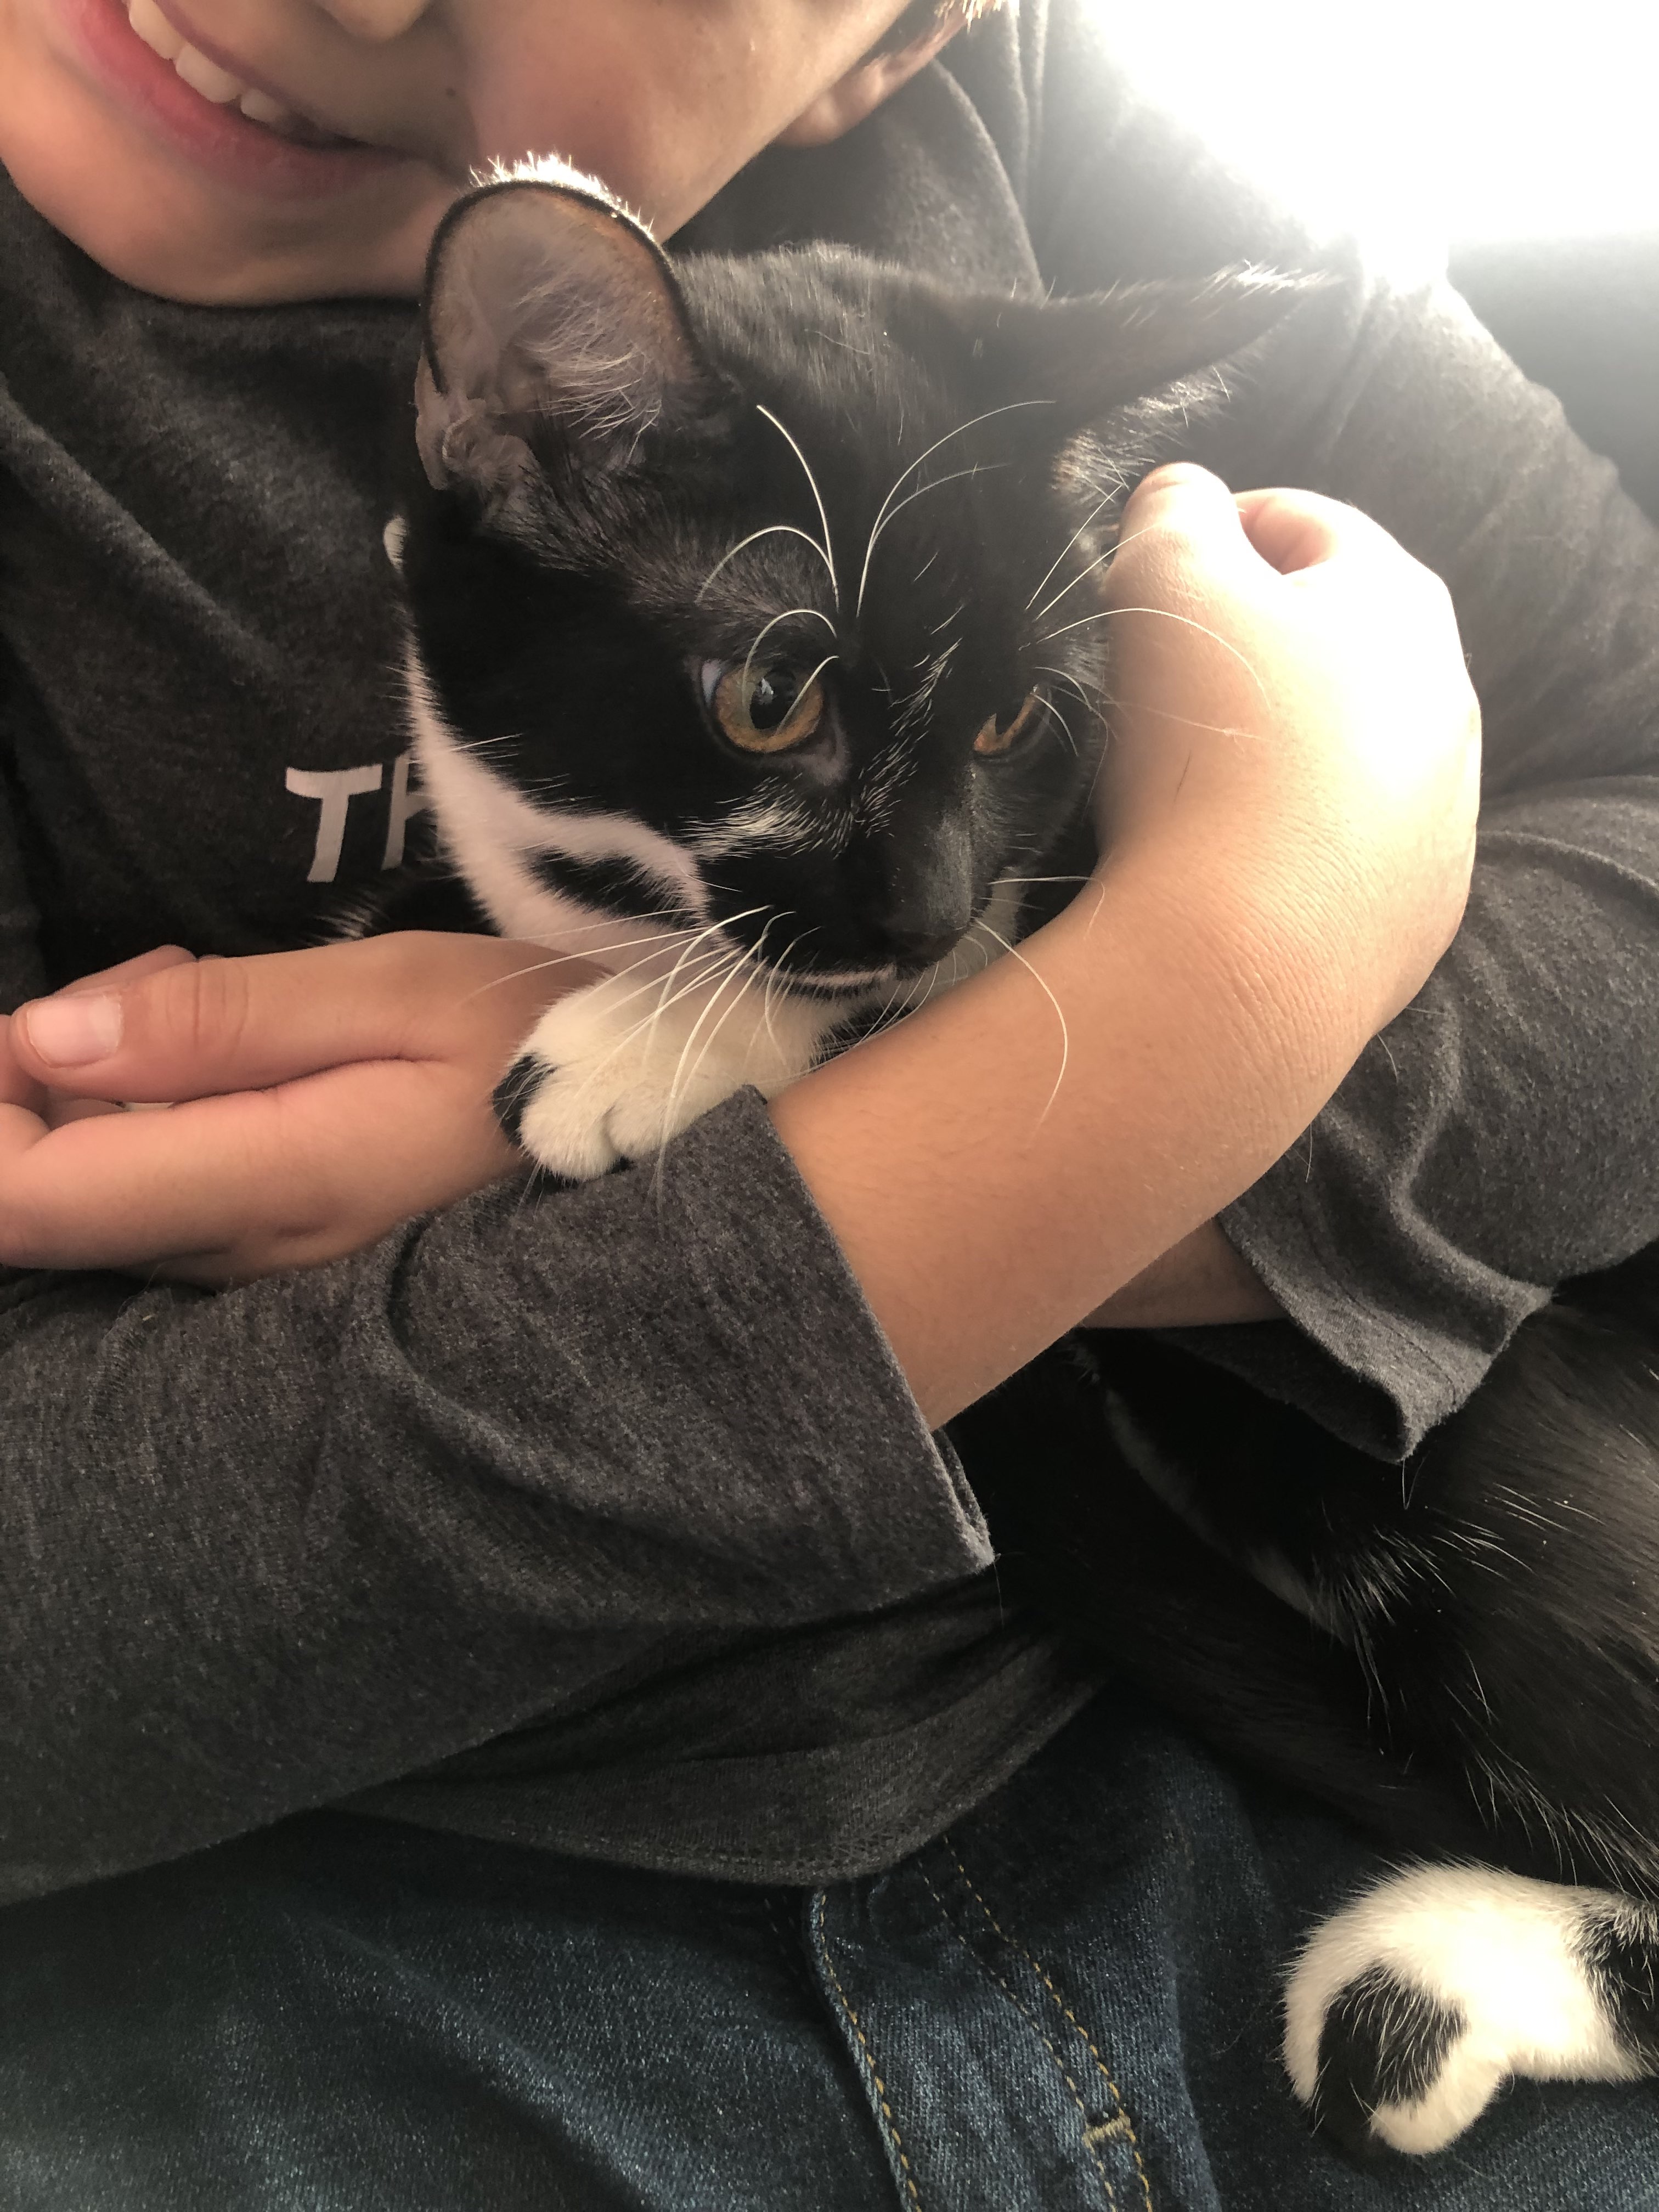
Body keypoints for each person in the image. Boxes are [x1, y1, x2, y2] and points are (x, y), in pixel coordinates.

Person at [0, 1, 1653, 2204]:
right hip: (391, 1917)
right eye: (775, 694)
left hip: (1233, 1758)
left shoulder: (1053, 131)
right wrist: (1183, 1025)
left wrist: (1231, 980)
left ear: (908, 27)